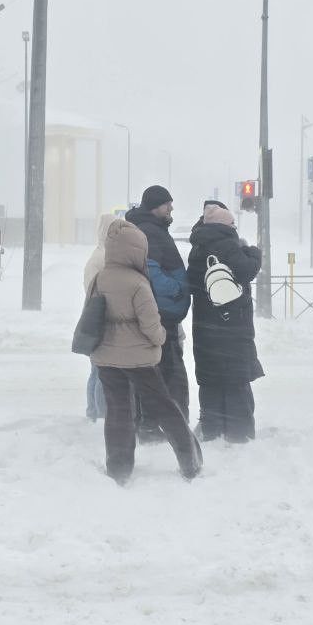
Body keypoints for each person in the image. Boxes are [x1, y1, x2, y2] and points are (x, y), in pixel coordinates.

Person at [91, 218, 202, 484]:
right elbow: (152, 326)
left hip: (106, 357)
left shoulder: (101, 277)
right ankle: (190, 461)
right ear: (135, 251)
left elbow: (92, 313)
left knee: (118, 412)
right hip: (139, 359)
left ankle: (118, 467)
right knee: (165, 407)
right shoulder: (138, 283)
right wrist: (162, 337)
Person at [186, 203, 264, 443]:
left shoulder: (198, 248)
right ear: (224, 226)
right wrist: (253, 252)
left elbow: (191, 281)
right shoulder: (228, 245)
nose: (234, 227)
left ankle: (213, 429)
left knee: (211, 380)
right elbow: (247, 269)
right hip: (231, 326)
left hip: (206, 327)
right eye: (232, 223)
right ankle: (239, 433)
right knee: (235, 380)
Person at [123, 185, 190, 443]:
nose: (171, 208)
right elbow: (150, 272)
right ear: (154, 206)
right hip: (162, 317)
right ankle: (160, 429)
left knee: (157, 373)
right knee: (167, 376)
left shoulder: (150, 228)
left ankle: (153, 425)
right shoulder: (150, 231)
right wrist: (175, 291)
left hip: (162, 315)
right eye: (167, 204)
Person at [83, 213, 118, 421]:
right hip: (100, 318)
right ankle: (98, 412)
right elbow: (96, 291)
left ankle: (93, 411)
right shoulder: (102, 257)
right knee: (101, 370)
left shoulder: (99, 254)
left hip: (96, 317)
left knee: (97, 369)